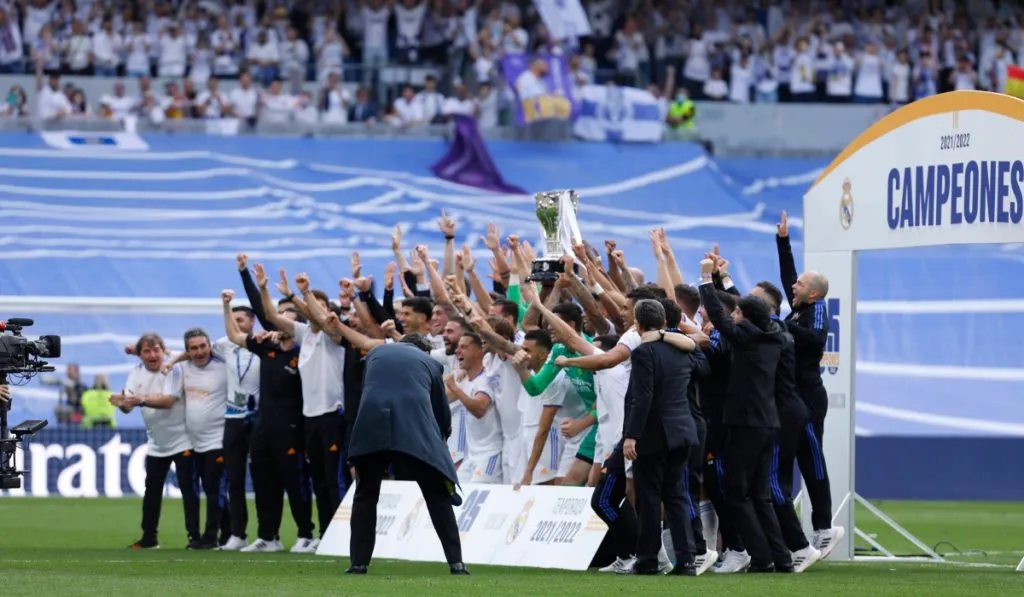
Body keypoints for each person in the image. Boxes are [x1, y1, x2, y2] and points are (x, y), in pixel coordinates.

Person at [697, 258, 793, 573]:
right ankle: (781, 557)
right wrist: (721, 280)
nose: (732, 316)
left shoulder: (745, 339)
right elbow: (736, 313)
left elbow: (719, 318)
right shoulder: (775, 336)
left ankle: (762, 558)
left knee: (738, 494)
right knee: (761, 495)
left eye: (737, 313)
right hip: (769, 422)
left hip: (745, 424)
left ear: (747, 319)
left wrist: (705, 280)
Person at [345, 335, 468, 576]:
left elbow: (365, 387)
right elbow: (440, 410)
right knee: (437, 496)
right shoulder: (431, 363)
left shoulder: (374, 354)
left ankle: (358, 563)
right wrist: (441, 441)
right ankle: (457, 563)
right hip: (413, 428)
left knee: (365, 495)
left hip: (371, 422)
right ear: (424, 350)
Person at [219, 290, 316, 553]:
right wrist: (226, 306)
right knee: (263, 485)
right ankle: (268, 537)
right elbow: (234, 337)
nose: (281, 325)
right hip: (262, 428)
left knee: (295, 484)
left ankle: (306, 534)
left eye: (287, 321)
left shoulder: (305, 353)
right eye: (279, 320)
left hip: (292, 429)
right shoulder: (267, 348)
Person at [776, 211, 844, 555]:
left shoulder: (817, 311)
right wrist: (783, 241)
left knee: (812, 459)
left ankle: (823, 527)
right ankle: (801, 532)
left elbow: (816, 339)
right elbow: (788, 275)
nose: (794, 287)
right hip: (793, 396)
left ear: (814, 293)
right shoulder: (799, 308)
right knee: (793, 458)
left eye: (801, 285)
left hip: (809, 396)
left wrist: (781, 327)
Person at [622, 299, 700, 576]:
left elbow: (642, 397)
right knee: (677, 497)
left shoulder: (644, 353)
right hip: (682, 431)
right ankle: (688, 560)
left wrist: (631, 436)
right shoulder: (681, 351)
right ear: (664, 322)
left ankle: (647, 560)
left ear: (637, 323)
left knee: (650, 498)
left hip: (654, 434)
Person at [112, 333, 200, 549]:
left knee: (189, 490)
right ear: (140, 355)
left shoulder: (173, 369)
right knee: (152, 491)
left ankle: (195, 537)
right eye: (147, 351)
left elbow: (169, 401)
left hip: (183, 440)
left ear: (163, 351)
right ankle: (149, 538)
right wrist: (122, 403)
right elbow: (128, 405)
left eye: (156, 350)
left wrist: (140, 400)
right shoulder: (136, 373)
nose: (153, 354)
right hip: (157, 443)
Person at [161, 328, 227, 550]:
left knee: (213, 488)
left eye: (203, 346)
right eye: (194, 348)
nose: (199, 352)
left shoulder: (223, 366)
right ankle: (211, 534)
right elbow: (171, 397)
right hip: (191, 441)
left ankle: (211, 536)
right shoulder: (182, 368)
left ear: (210, 346)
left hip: (218, 439)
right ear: (187, 351)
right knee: (194, 489)